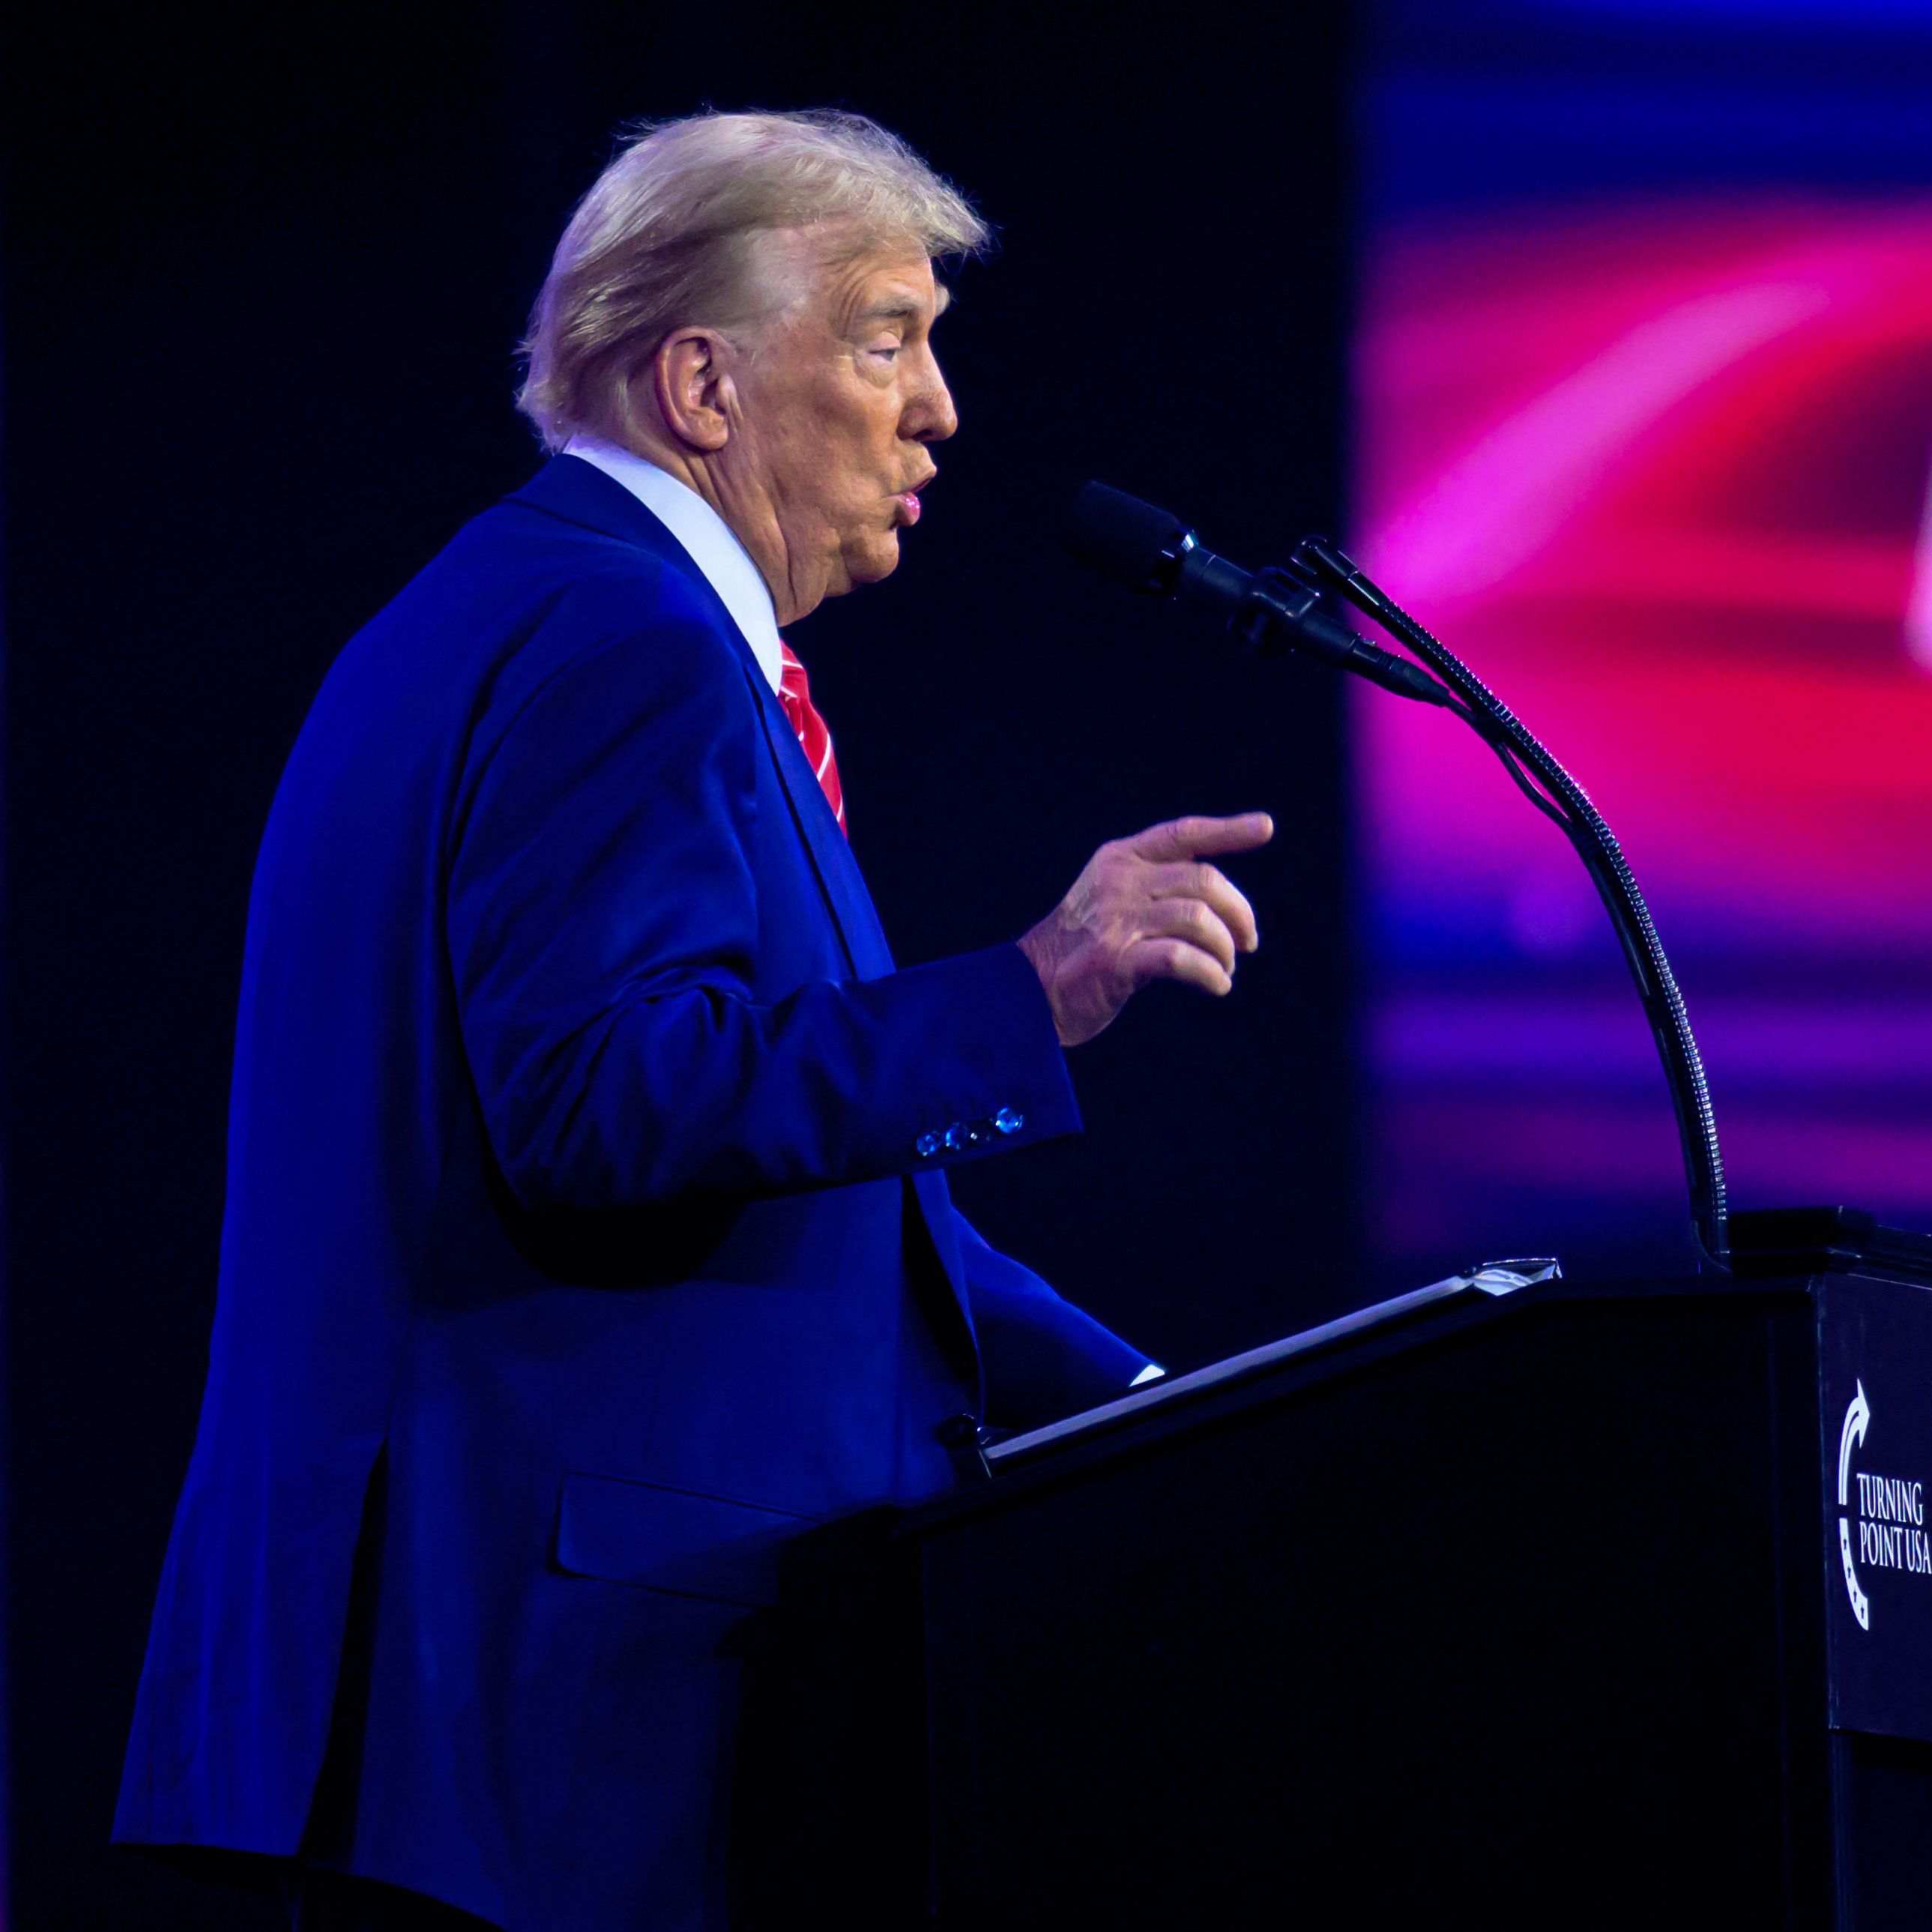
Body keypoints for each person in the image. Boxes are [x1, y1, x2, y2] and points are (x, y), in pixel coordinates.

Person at [112, 109, 1267, 1930]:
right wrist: (1027, 990)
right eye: (887, 336)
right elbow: (601, 1101)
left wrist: (1167, 1409)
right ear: (703, 384)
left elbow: (801, 1200)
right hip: (562, 1715)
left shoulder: (497, 610)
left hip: (467, 1700)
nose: (940, 407)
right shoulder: (625, 641)